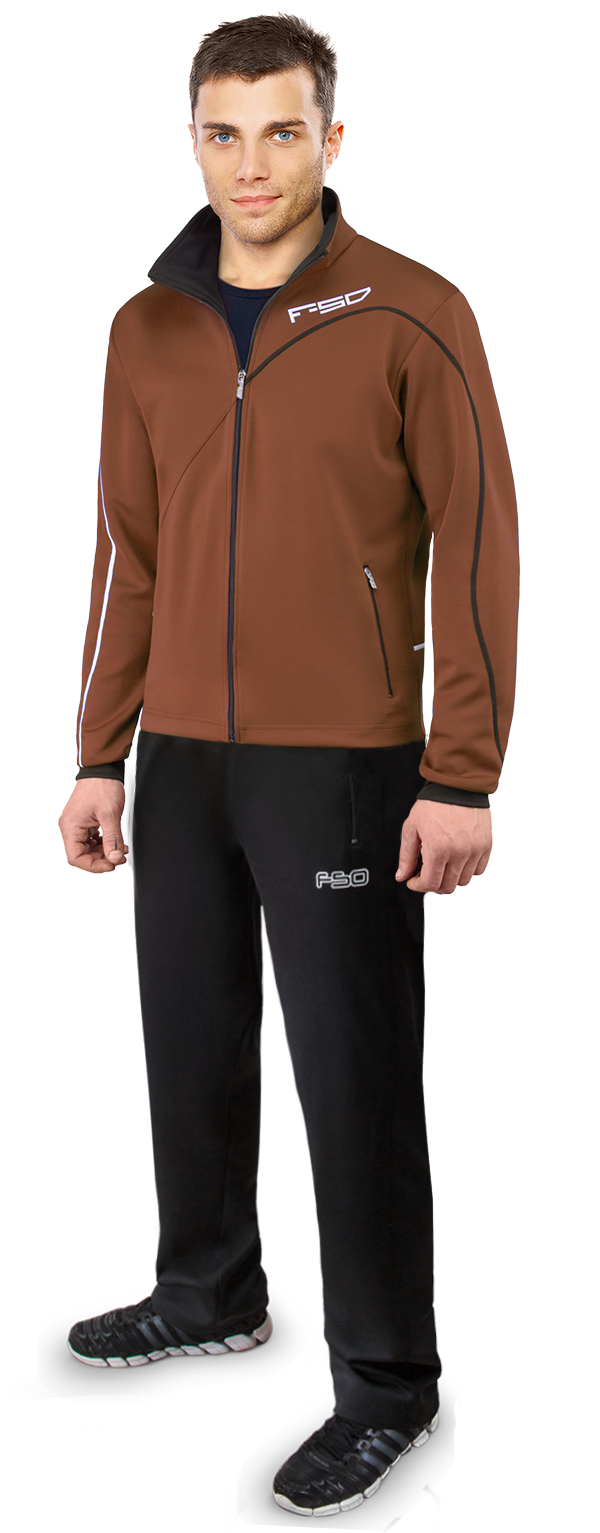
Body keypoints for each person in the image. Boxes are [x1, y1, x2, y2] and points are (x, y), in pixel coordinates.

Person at [57, 13, 519, 1519]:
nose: (250, 163)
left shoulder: (413, 311)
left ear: (331, 141)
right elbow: (129, 557)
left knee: (353, 1069)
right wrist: (103, 752)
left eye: (280, 130)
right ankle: (211, 1299)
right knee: (190, 1036)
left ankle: (393, 1390)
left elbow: (478, 549)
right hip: (180, 755)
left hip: (350, 758)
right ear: (193, 144)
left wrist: (463, 774)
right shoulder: (152, 328)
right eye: (222, 132)